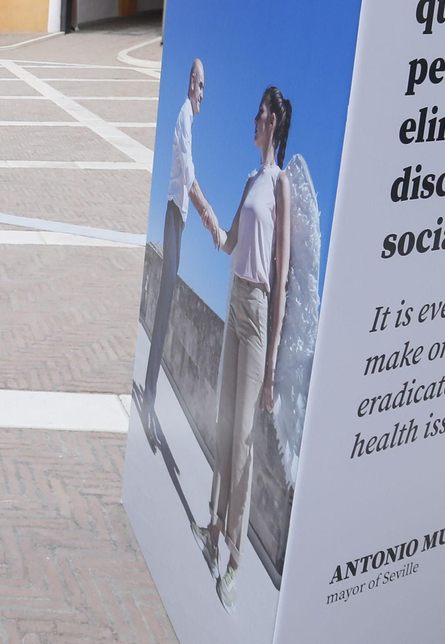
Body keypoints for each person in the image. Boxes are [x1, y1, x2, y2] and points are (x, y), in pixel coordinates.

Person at [204, 86, 293, 613]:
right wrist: (203, 207)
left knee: (242, 435)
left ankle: (236, 561)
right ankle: (213, 528)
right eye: (256, 111)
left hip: (258, 311)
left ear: (275, 123)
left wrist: (273, 366)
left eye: (261, 112)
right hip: (234, 297)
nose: (254, 118)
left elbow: (279, 276)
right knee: (222, 422)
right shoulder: (249, 181)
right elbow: (230, 242)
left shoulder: (280, 185)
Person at [135, 59, 221, 446]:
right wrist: (207, 212)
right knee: (166, 304)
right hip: (174, 215)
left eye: (204, 87)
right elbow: (186, 176)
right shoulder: (185, 115)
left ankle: (149, 394)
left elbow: (191, 173)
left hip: (180, 219)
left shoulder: (190, 120)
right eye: (200, 85)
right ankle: (150, 397)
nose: (203, 93)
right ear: (191, 83)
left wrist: (203, 212)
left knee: (167, 308)